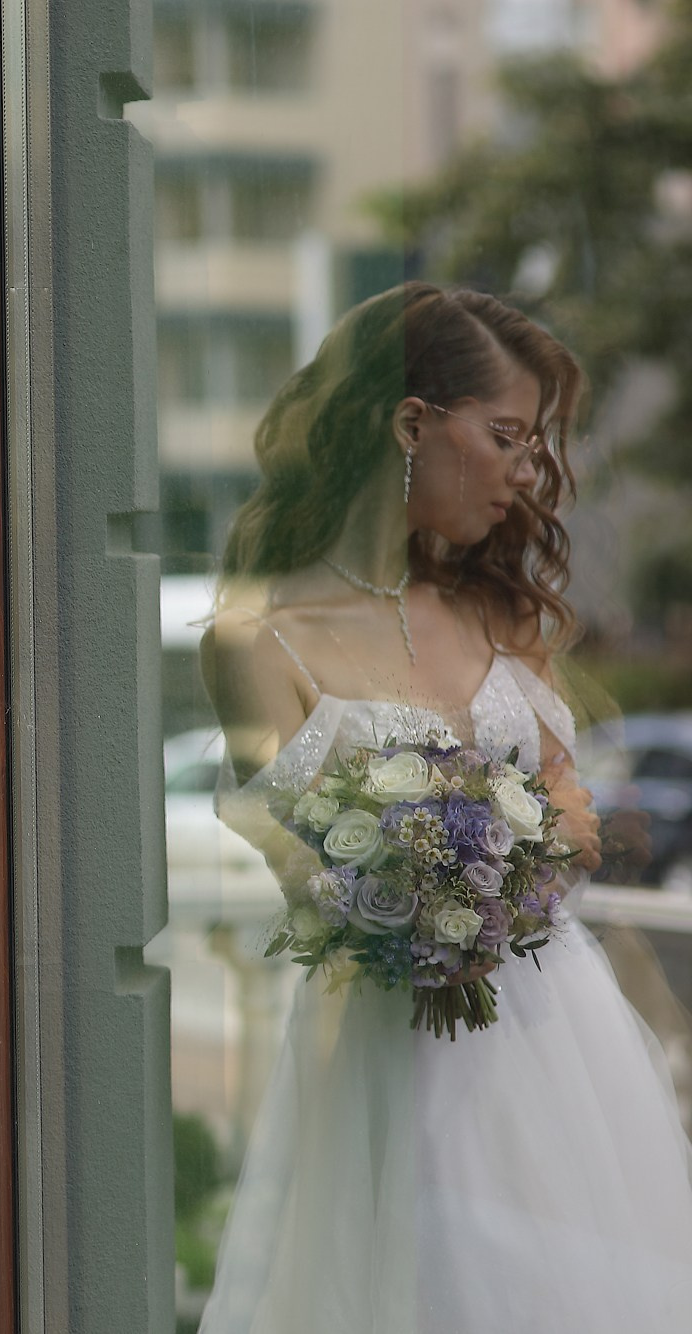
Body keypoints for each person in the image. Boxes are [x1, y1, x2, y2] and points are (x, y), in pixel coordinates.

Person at [197, 282, 692, 1331]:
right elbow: (302, 877)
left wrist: (500, 855)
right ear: (409, 423)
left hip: (564, 1034)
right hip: (393, 1051)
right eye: (505, 435)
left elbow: (576, 812)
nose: (523, 472)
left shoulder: (497, 608)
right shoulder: (253, 644)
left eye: (532, 443)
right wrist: (422, 878)